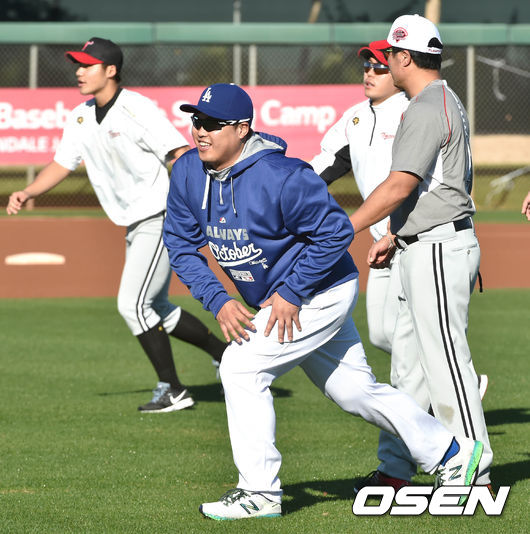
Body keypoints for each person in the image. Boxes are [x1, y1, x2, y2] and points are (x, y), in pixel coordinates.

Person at [163, 82, 484, 520]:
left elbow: (334, 234)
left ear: (241, 129)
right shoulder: (188, 172)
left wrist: (293, 292)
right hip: (279, 299)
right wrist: (218, 299)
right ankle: (450, 452)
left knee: (239, 367)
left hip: (321, 291)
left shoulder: (284, 176)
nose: (201, 130)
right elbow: (180, 244)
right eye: (197, 120)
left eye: (213, 123)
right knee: (354, 392)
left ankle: (259, 491)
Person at [6, 37, 226, 413]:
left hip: (159, 216)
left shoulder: (137, 109)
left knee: (132, 305)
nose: (79, 71)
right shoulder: (80, 115)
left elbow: (178, 154)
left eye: (87, 65)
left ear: (110, 70)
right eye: (77, 64)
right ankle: (225, 355)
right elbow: (62, 163)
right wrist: (29, 191)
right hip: (133, 222)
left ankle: (173, 389)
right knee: (155, 306)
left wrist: (194, 205)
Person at [348, 15, 492, 491]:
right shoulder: (437, 100)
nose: (386, 62)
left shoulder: (428, 106)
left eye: (390, 55)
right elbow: (433, 186)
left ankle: (474, 471)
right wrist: (395, 235)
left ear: (405, 57)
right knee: (407, 371)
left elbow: (400, 185)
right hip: (421, 243)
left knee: (446, 364)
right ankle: (396, 467)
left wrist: (346, 228)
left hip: (438, 247)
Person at [310, 40, 409, 355]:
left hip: (410, 238)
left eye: (379, 67)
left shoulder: (411, 111)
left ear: (397, 70)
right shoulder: (355, 116)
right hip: (381, 242)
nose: (369, 73)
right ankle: (455, 379)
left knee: (403, 333)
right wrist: (287, 189)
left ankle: (454, 380)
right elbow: (325, 163)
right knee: (381, 335)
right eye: (367, 66)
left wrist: (395, 232)